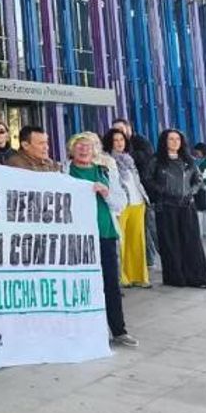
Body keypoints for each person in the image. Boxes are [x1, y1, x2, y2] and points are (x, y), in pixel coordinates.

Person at [64, 133, 137, 347]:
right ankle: (83, 331)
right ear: (71, 150)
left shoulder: (105, 171)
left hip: (104, 233)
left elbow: (120, 203)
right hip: (76, 238)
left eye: (88, 146)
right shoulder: (62, 171)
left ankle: (118, 330)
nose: (83, 150)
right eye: (79, 146)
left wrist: (105, 192)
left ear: (95, 150)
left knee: (110, 284)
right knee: (80, 283)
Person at [143, 129, 206, 288]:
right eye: (171, 139)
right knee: (170, 243)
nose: (174, 142)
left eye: (177, 139)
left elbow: (198, 180)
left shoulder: (189, 160)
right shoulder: (156, 160)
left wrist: (191, 192)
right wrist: (161, 190)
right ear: (164, 141)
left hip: (187, 205)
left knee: (192, 242)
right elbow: (147, 179)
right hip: (166, 206)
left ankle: (197, 278)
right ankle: (175, 278)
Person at [105, 128, 151, 288]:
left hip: (138, 202)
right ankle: (123, 277)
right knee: (121, 243)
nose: (119, 143)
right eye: (115, 140)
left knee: (138, 242)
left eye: (122, 140)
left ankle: (139, 276)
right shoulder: (107, 161)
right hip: (122, 205)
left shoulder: (129, 159)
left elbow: (136, 180)